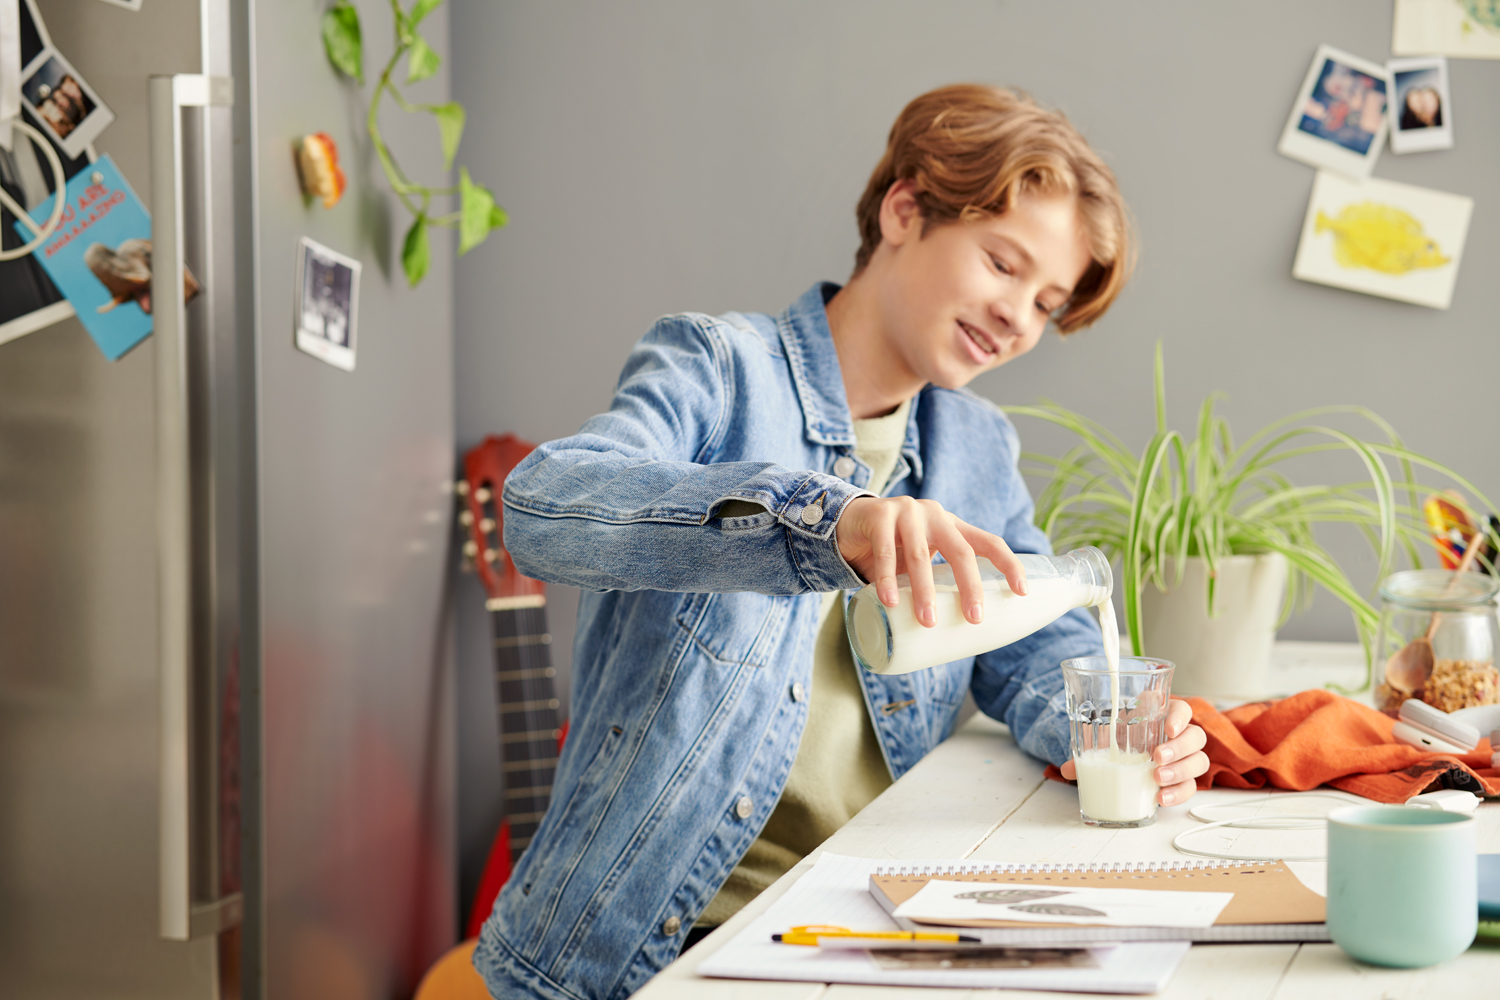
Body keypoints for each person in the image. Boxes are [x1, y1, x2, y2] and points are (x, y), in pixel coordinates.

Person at [475, 84, 1211, 1000]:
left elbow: (1032, 640)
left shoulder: (976, 447)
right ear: (905, 210)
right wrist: (821, 520)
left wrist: (1106, 728)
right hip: (657, 947)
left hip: (868, 920)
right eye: (1002, 263)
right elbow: (547, 507)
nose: (1022, 315)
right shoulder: (718, 369)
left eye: (1049, 302)